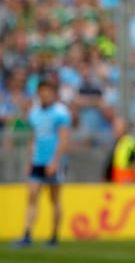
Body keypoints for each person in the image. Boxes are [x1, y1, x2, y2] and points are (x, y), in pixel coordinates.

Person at [12, 79, 71, 248]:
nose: (44, 94)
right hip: (38, 160)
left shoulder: (61, 113)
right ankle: (27, 234)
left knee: (54, 199)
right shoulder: (34, 113)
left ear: (52, 93)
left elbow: (64, 139)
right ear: (38, 93)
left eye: (47, 91)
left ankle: (54, 236)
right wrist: (29, 160)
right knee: (32, 196)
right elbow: (33, 138)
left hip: (54, 162)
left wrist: (56, 161)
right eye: (41, 91)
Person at [105, 117, 135, 183]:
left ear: (124, 128)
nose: (114, 129)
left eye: (117, 127)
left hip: (127, 186)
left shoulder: (130, 143)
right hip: (118, 185)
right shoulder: (118, 143)